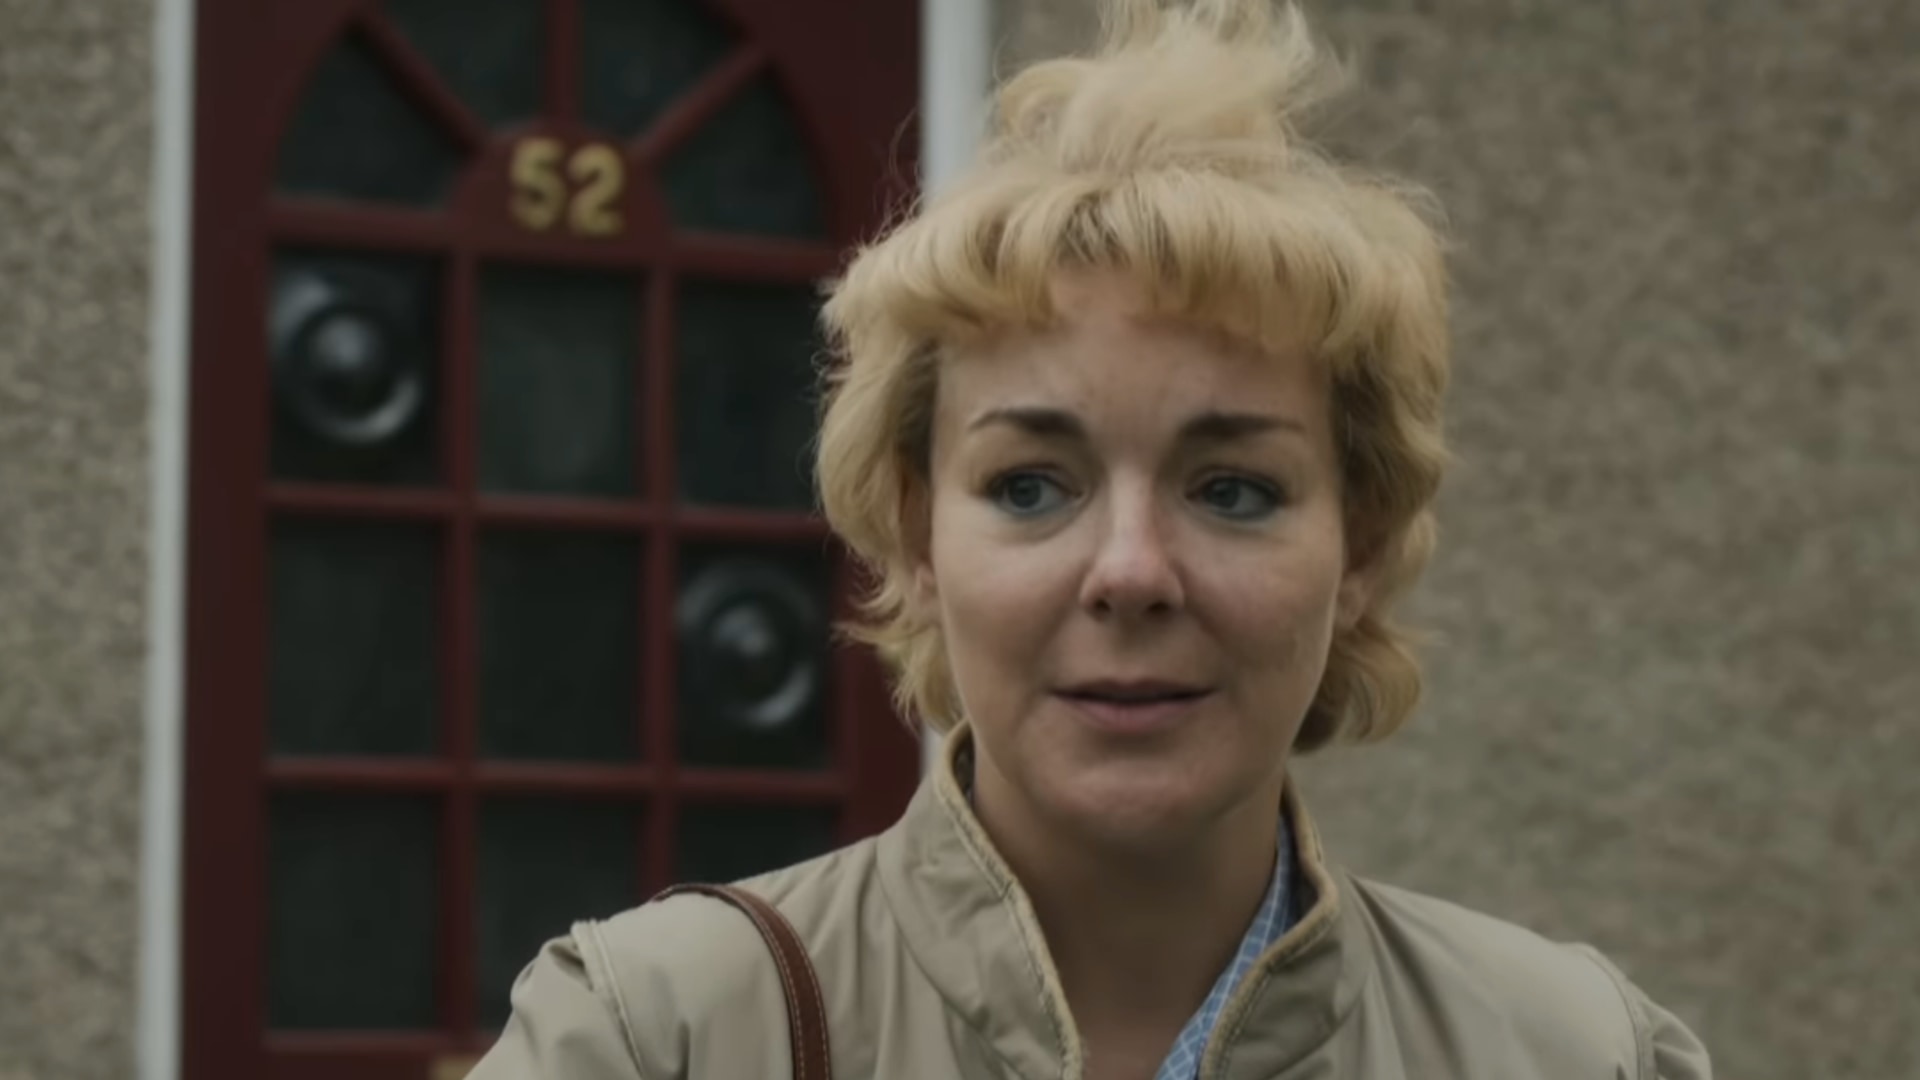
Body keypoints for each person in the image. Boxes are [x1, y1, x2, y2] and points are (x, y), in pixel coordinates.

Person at [470, 2, 1712, 1077]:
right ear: (914, 538)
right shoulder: (658, 1039)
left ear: (1364, 549)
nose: (1129, 572)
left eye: (1232, 490)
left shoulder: (1569, 1052)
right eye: (1028, 487)